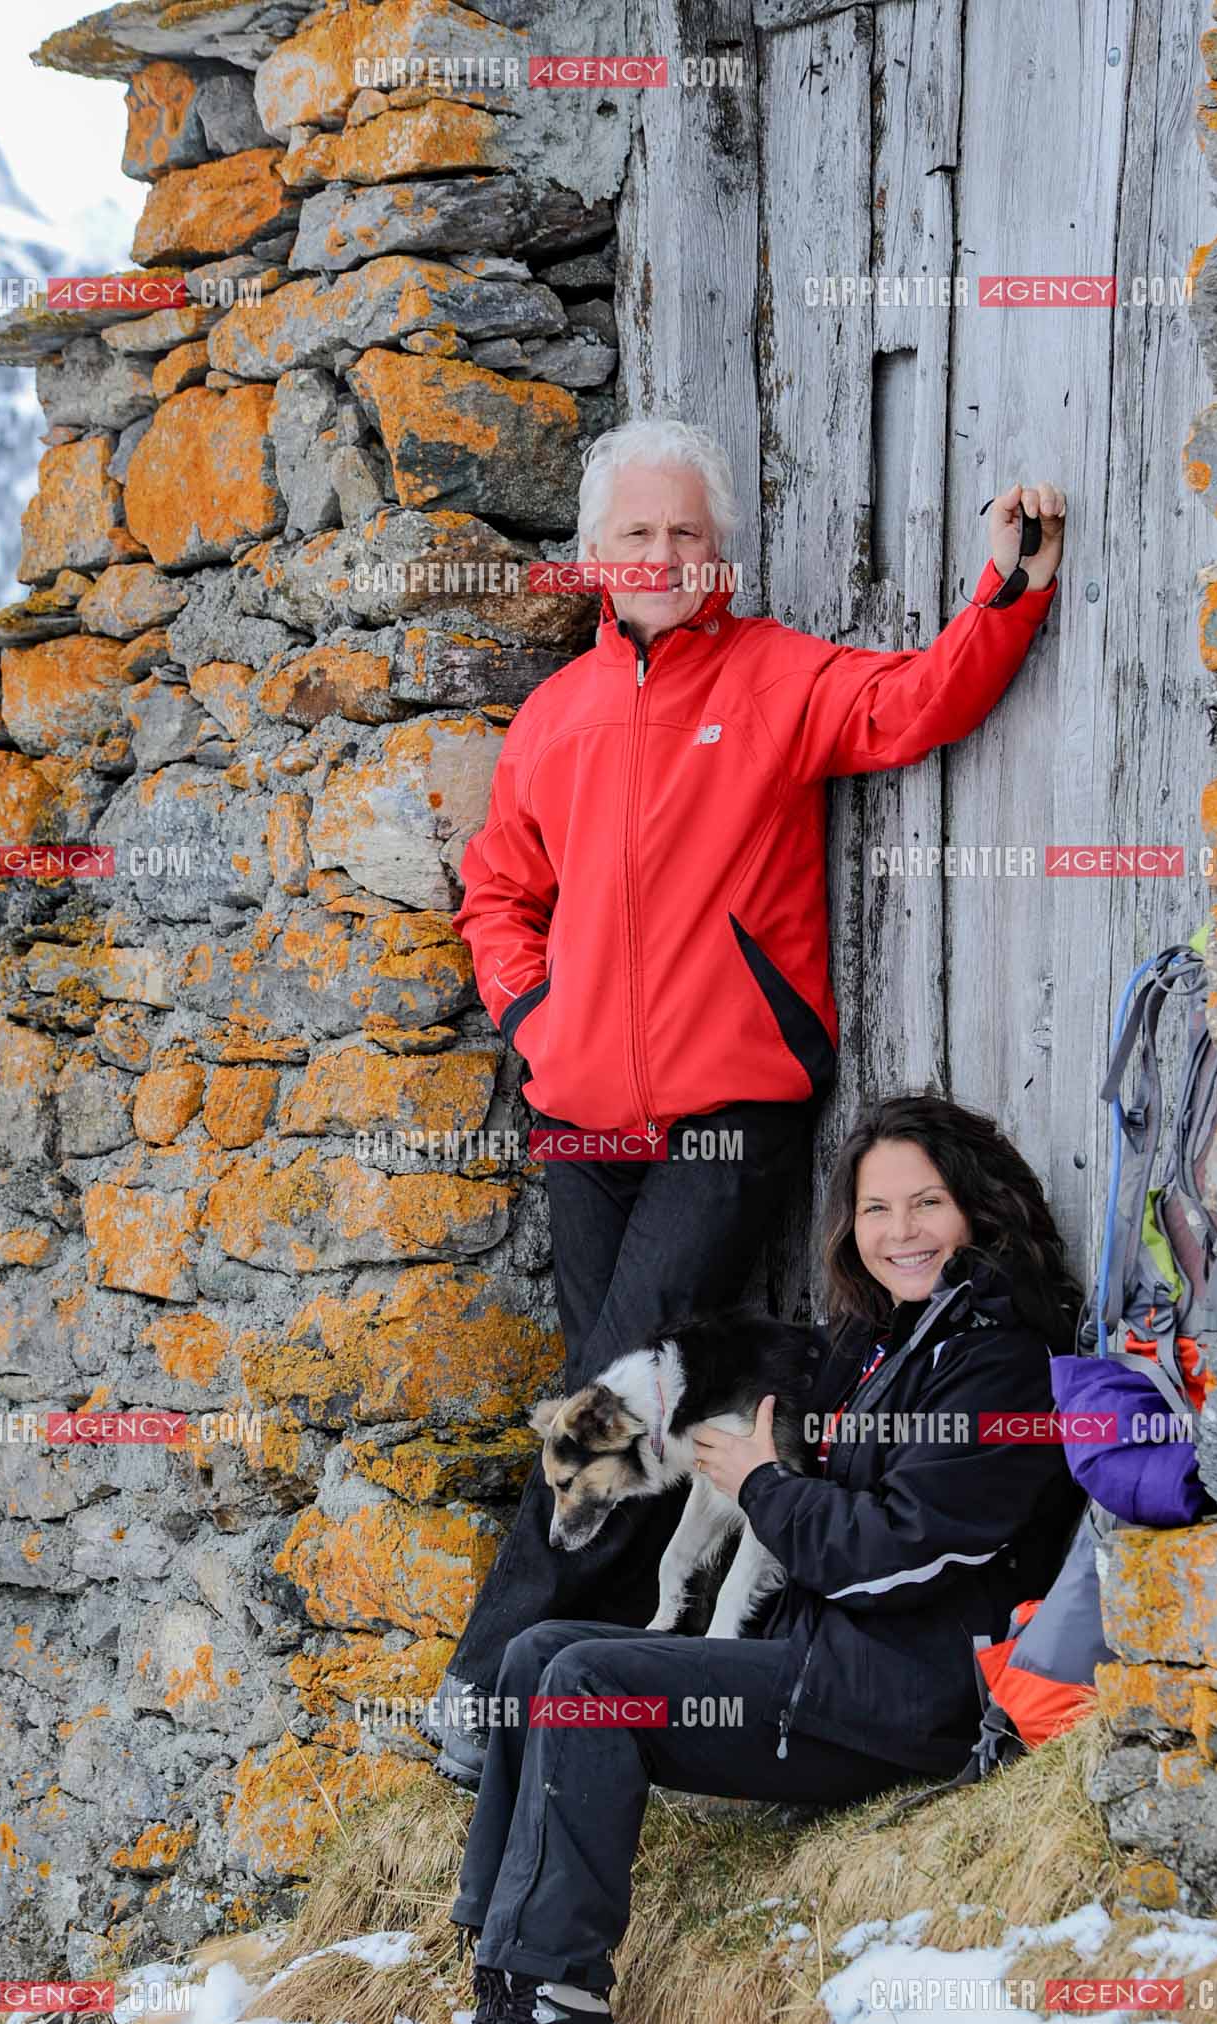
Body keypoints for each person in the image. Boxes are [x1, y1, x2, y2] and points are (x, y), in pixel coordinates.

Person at [432, 416, 1067, 1785]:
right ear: (593, 557)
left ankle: (487, 1686)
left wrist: (1003, 595)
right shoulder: (556, 719)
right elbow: (497, 890)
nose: (662, 554)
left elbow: (912, 703)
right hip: (584, 1121)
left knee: (603, 1395)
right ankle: (593, 1690)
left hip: (730, 1113)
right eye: (636, 534)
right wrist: (535, 1019)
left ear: (719, 552)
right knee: (620, 1406)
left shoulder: (775, 678)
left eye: (686, 533)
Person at [415, 1095, 1086, 2024]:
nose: (899, 1230)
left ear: (981, 1211)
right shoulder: (888, 1341)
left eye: (927, 1204)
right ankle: (509, 1989)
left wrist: (767, 1485)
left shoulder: (1000, 1362)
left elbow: (908, 1555)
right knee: (537, 1651)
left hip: (903, 1697)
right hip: (825, 1658)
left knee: (591, 1683)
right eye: (876, 1208)